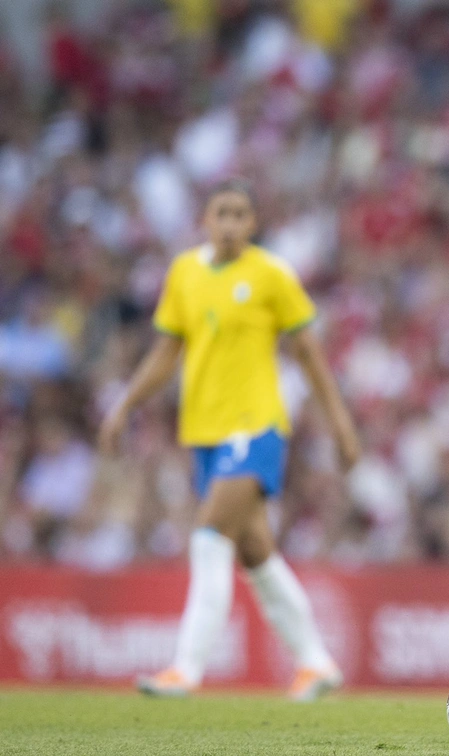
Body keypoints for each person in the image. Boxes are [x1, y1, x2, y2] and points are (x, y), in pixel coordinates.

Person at [98, 178, 360, 702]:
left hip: (257, 425)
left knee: (208, 534)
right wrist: (125, 404)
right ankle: (314, 661)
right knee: (256, 552)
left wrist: (340, 424)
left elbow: (308, 353)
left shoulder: (271, 275)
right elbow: (166, 351)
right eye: (222, 213)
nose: (231, 223)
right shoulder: (185, 273)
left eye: (241, 214)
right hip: (205, 432)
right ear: (205, 220)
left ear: (253, 224)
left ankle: (185, 669)